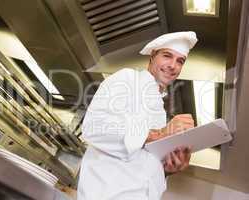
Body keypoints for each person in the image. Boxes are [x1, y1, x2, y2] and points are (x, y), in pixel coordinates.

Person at [77, 31, 198, 200]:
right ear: (152, 56)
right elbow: (94, 127)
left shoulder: (161, 113)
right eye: (167, 56)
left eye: (180, 61)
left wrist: (167, 169)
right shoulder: (127, 79)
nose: (173, 65)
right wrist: (160, 134)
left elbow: (143, 166)